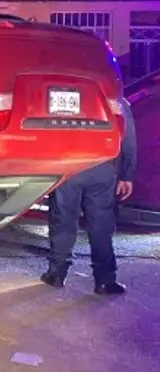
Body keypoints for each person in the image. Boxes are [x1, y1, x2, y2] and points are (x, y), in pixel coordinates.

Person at [42, 96, 137, 295]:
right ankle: (105, 280)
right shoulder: (114, 98)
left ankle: (57, 274)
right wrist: (126, 175)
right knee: (101, 225)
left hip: (68, 167)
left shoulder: (60, 95)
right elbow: (128, 138)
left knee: (63, 221)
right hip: (102, 167)